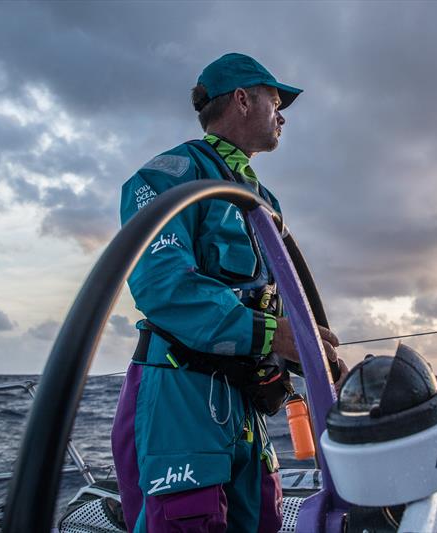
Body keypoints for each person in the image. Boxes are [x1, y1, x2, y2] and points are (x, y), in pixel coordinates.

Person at [111, 53, 347, 533]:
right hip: (181, 396)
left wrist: (309, 355)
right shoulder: (168, 176)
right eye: (275, 102)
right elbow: (163, 285)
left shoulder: (264, 200)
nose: (281, 116)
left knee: (262, 517)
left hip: (243, 405)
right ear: (242, 99)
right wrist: (275, 335)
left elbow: (274, 299)